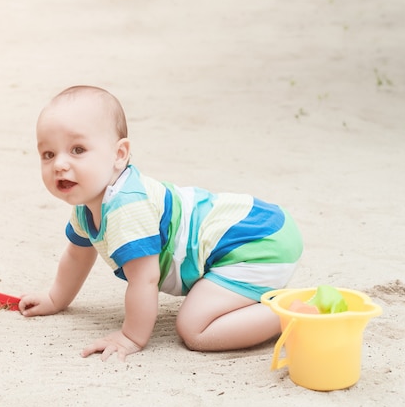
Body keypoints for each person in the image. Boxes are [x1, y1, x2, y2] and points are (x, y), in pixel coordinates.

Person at [18, 85, 303, 361]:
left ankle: (294, 311)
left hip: (257, 243)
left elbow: (145, 279)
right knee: (200, 314)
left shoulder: (127, 206)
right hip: (251, 234)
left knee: (195, 329)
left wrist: (131, 336)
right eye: (48, 154)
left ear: (119, 155)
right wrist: (56, 298)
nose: (59, 164)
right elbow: (77, 255)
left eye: (78, 149)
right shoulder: (87, 205)